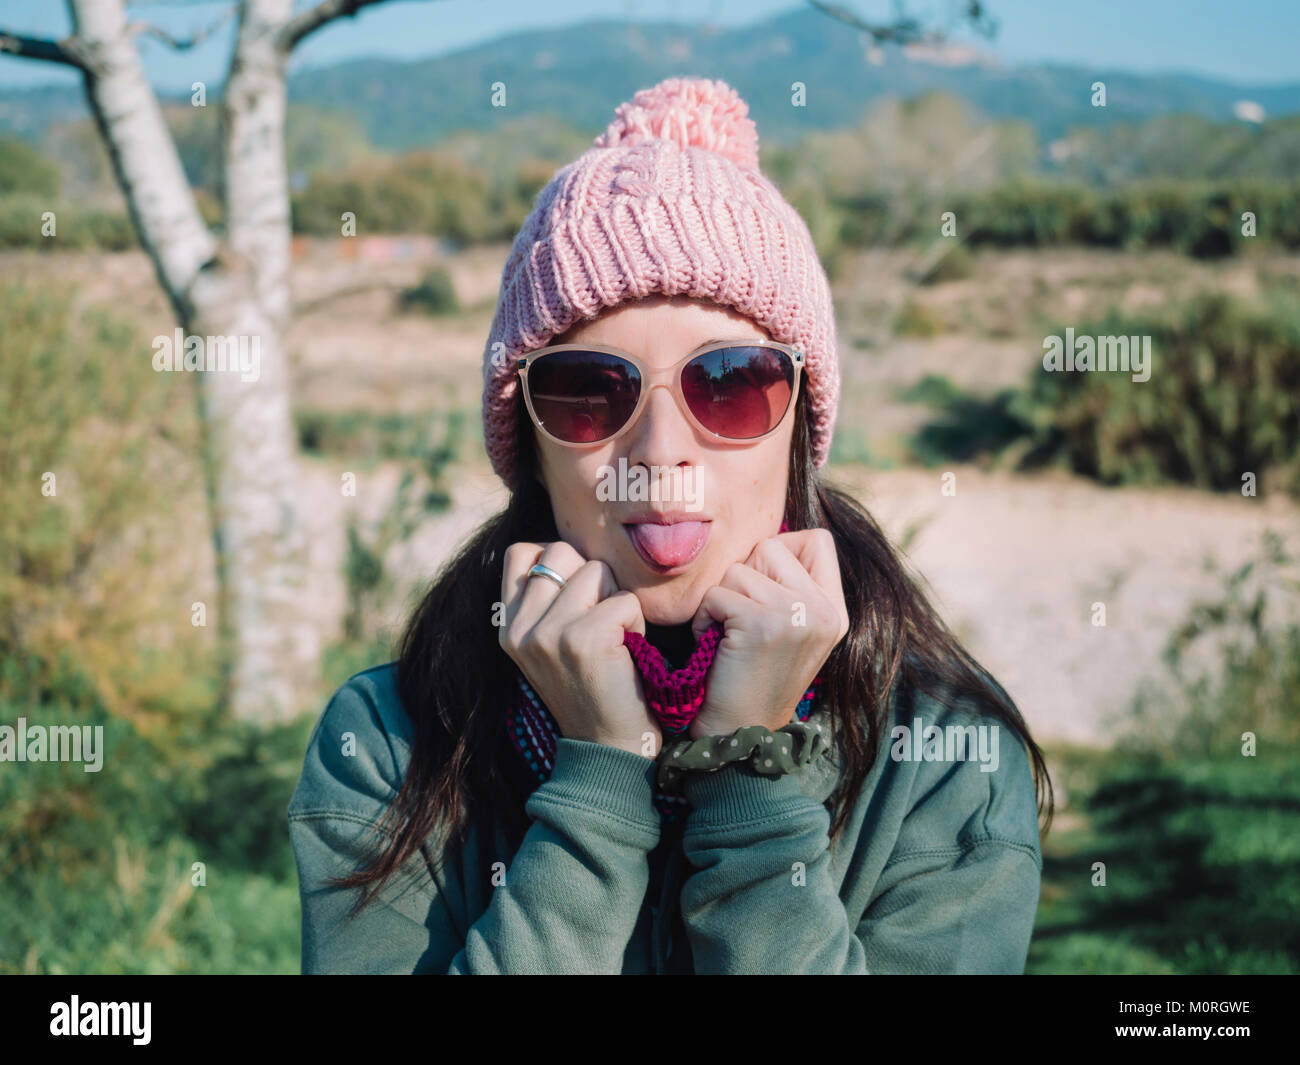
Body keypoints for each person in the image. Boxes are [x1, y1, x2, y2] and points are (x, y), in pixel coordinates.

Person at [288, 76, 1053, 975]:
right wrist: (598, 788)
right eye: (588, 391)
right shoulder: (387, 743)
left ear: (800, 433)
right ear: (529, 443)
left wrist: (749, 784)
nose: (658, 450)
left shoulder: (944, 762)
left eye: (728, 383)